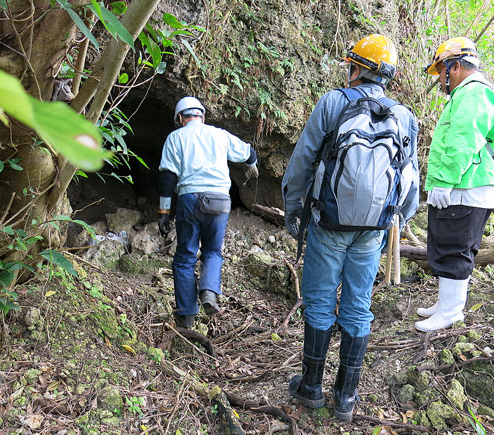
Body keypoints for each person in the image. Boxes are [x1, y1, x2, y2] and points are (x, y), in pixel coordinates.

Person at [282, 34, 420, 420]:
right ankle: (346, 397)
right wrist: (401, 217)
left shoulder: (333, 103)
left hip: (330, 220)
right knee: (359, 305)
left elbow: (303, 161)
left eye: (351, 65)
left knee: (321, 299)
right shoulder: (405, 116)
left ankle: (311, 388)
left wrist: (293, 209)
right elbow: (410, 177)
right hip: (374, 227)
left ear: (357, 68)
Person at [415, 37, 494, 332]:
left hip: (466, 189)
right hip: (464, 187)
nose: (441, 79)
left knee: (455, 249)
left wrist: (443, 181)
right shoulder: (471, 94)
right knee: (448, 245)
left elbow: (462, 141)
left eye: (442, 70)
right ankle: (446, 303)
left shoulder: (472, 94)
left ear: (454, 67)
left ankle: (452, 312)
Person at [158, 96, 258, 328]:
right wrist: (252, 164)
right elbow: (247, 153)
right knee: (213, 251)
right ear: (202, 116)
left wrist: (164, 212)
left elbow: (167, 177)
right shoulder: (219, 134)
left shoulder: (175, 137)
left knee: (185, 258)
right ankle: (209, 293)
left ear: (180, 118)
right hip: (220, 201)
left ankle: (187, 315)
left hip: (190, 199)